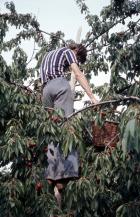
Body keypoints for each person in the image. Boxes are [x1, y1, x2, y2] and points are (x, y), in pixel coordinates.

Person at [40, 43, 98, 205]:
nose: (76, 62)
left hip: (46, 91)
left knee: (53, 131)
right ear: (76, 51)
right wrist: (92, 96)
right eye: (78, 59)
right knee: (68, 128)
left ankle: (53, 175)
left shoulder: (48, 54)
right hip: (60, 86)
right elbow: (78, 74)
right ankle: (68, 173)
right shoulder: (68, 52)